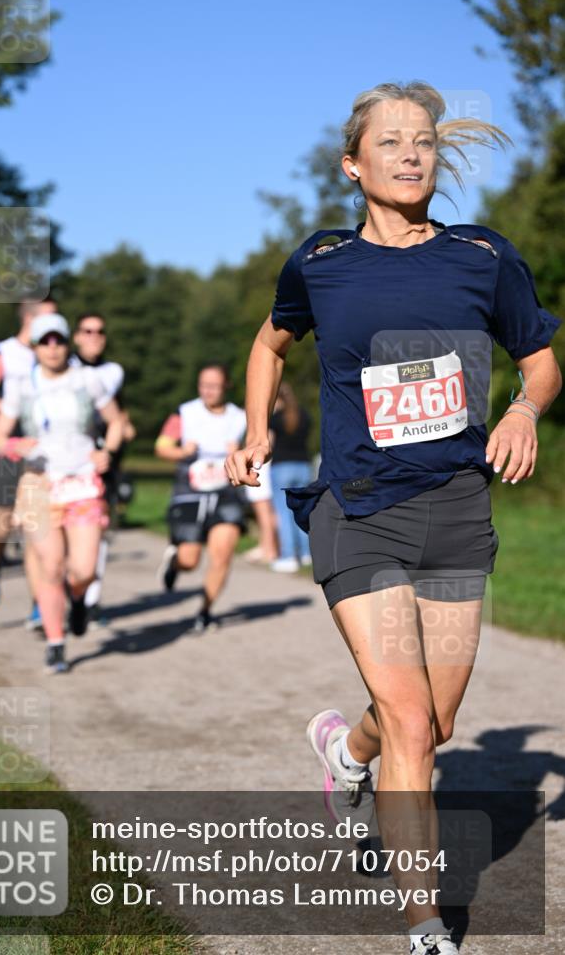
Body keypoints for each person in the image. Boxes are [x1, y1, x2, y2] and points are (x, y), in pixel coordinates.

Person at [226, 81, 562, 955]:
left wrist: (524, 409)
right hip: (357, 510)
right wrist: (257, 423)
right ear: (353, 164)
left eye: (422, 141)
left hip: (454, 511)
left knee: (431, 721)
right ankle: (425, 923)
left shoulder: (483, 256)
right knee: (413, 722)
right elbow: (269, 343)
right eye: (390, 142)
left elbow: (539, 360)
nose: (411, 154)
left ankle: (347, 754)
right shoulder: (321, 260)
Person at [0, 314, 124, 673]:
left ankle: (78, 599)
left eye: (58, 340)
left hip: (81, 483)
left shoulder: (88, 379)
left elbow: (116, 423)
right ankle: (55, 642)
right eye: (44, 341)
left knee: (81, 570)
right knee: (51, 565)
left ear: (68, 343)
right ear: (34, 347)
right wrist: (15, 444)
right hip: (38, 484)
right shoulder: (22, 386)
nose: (52, 348)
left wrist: (105, 452)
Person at [0, 299, 57, 613]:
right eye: (50, 317)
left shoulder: (57, 355)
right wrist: (17, 405)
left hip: (43, 450)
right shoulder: (2, 355)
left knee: (39, 526)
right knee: (2, 524)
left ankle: (40, 600)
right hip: (6, 448)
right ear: (30, 320)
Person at [155, 363, 247, 633]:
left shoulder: (239, 417)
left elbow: (264, 447)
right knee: (190, 560)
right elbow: (161, 447)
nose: (208, 390)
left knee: (222, 555)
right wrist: (182, 451)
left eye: (214, 385)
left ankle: (205, 611)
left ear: (226, 386)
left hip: (226, 491)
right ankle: (174, 564)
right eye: (203, 385)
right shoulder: (185, 412)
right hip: (190, 491)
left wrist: (240, 449)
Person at [70, 312, 136, 621]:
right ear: (76, 336)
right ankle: (59, 598)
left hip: (104, 460)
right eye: (87, 330)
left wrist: (124, 426)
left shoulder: (114, 371)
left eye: (100, 331)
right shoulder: (62, 368)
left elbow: (117, 411)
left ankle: (91, 602)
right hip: (69, 461)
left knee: (100, 528)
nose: (94, 336)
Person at [269, 381, 313, 572]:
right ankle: (306, 554)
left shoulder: (276, 418)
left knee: (283, 513)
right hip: (303, 466)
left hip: (281, 467)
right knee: (302, 510)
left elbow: (268, 444)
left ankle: (288, 556)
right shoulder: (304, 415)